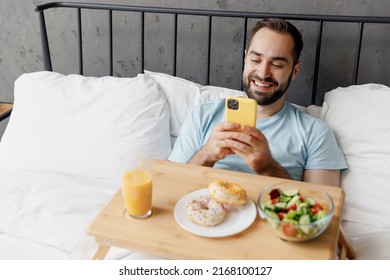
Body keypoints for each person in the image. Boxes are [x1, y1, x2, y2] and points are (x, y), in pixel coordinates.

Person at [168, 18, 347, 186]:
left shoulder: (316, 134)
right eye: (255, 59)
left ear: (295, 70)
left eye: (277, 65)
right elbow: (170, 186)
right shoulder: (202, 116)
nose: (263, 73)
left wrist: (268, 167)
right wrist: (206, 155)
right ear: (245, 59)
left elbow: (321, 212)